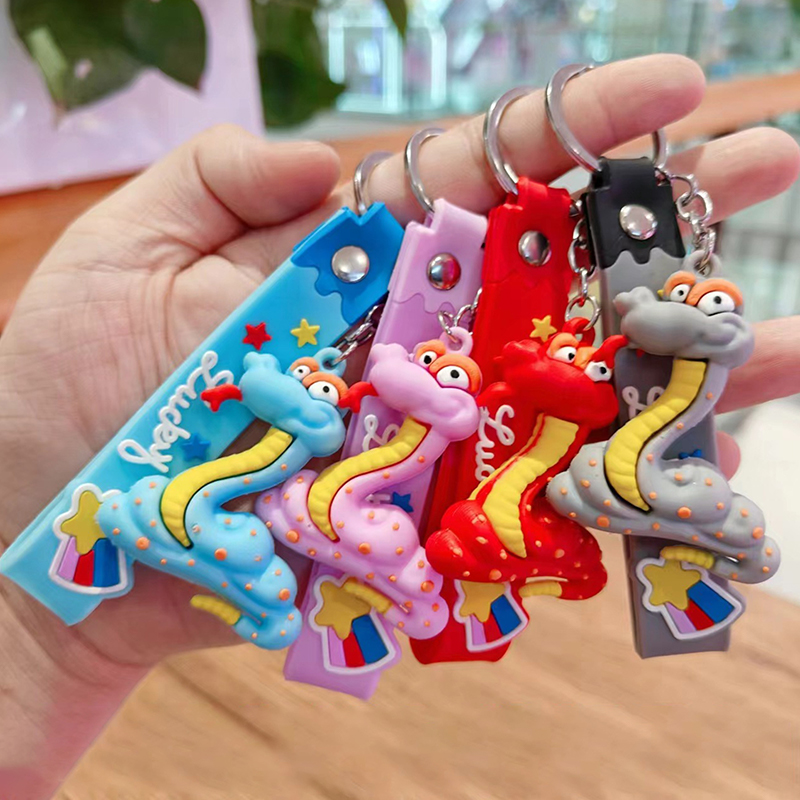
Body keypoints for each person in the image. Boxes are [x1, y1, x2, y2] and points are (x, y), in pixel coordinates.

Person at [0, 55, 798, 799]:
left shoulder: (534, 390)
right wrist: (26, 638)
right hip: (328, 506)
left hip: (474, 503)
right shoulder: (359, 404)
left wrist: (34, 649)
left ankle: (454, 608)